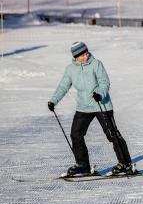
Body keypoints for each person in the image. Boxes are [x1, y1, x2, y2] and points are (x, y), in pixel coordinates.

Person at [48, 42, 135, 176]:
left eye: (86, 53)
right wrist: (53, 101)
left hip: (101, 105)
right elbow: (63, 86)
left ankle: (125, 163)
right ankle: (82, 165)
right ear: (75, 56)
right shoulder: (71, 69)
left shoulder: (96, 64)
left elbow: (104, 81)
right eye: (82, 55)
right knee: (76, 135)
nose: (85, 56)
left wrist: (100, 93)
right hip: (83, 107)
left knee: (112, 134)